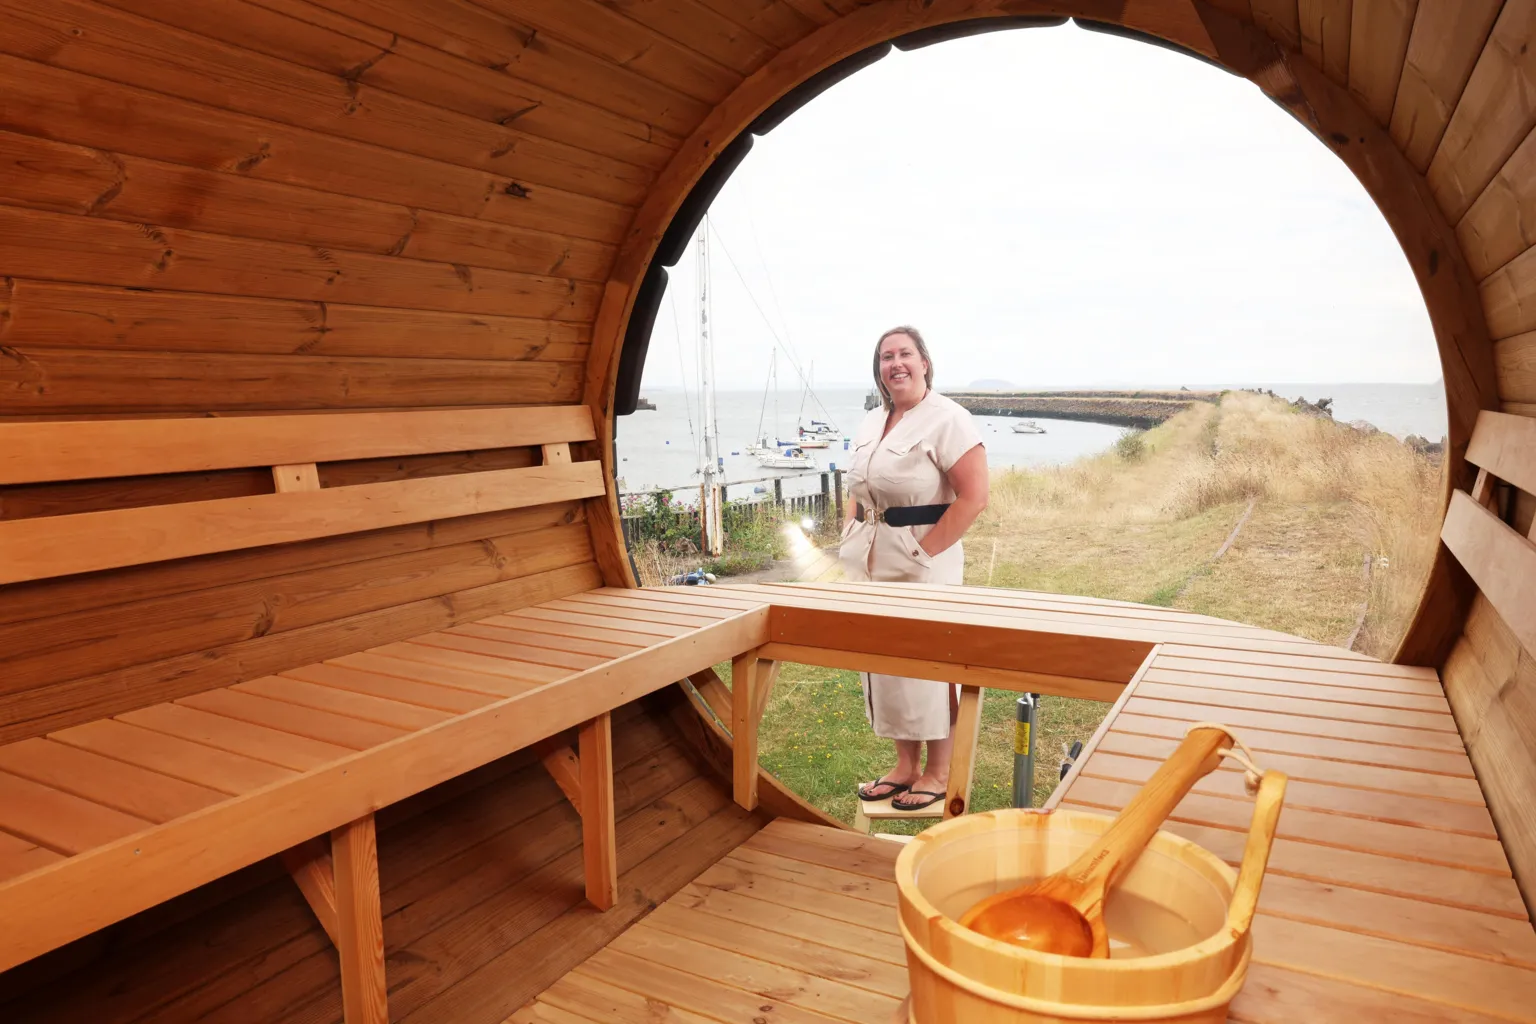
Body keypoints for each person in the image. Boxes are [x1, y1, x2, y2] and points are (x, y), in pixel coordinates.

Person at [839, 326, 988, 811]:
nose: (895, 364)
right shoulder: (871, 421)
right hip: (869, 560)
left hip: (924, 563)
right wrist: (850, 533)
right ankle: (905, 766)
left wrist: (926, 552)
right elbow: (857, 490)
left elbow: (974, 496)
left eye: (905, 354)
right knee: (883, 664)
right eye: (886, 357)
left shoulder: (949, 419)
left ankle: (938, 771)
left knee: (930, 665)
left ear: (924, 361)